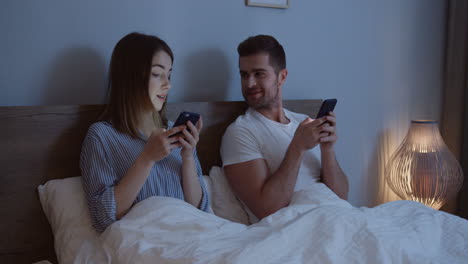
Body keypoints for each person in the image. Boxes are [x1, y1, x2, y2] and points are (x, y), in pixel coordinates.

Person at [80, 32, 210, 233]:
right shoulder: (102, 136)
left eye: (169, 74)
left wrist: (188, 157)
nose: (168, 84)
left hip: (194, 236)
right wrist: (147, 158)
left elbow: (199, 211)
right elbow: (103, 218)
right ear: (131, 76)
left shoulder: (176, 130)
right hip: (149, 243)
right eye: (157, 74)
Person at [220, 35, 349, 224]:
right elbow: (267, 210)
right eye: (244, 74)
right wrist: (297, 147)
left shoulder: (303, 123)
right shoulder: (240, 132)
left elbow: (342, 197)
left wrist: (327, 149)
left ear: (282, 77)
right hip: (295, 229)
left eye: (259, 74)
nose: (249, 84)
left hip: (335, 217)